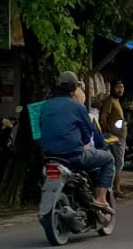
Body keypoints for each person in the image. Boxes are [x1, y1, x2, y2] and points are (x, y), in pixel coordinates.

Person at [39, 71, 114, 209]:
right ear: (74, 90)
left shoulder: (45, 106)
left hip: (48, 157)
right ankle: (101, 199)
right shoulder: (78, 107)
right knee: (108, 159)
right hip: (73, 156)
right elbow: (87, 134)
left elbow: (41, 128)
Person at [97, 78, 128, 197]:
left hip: (120, 137)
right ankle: (116, 189)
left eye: (122, 87)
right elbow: (103, 118)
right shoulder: (110, 101)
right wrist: (109, 132)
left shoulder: (117, 101)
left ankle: (114, 188)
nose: (120, 90)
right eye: (118, 87)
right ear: (112, 89)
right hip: (114, 138)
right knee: (118, 163)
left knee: (117, 163)